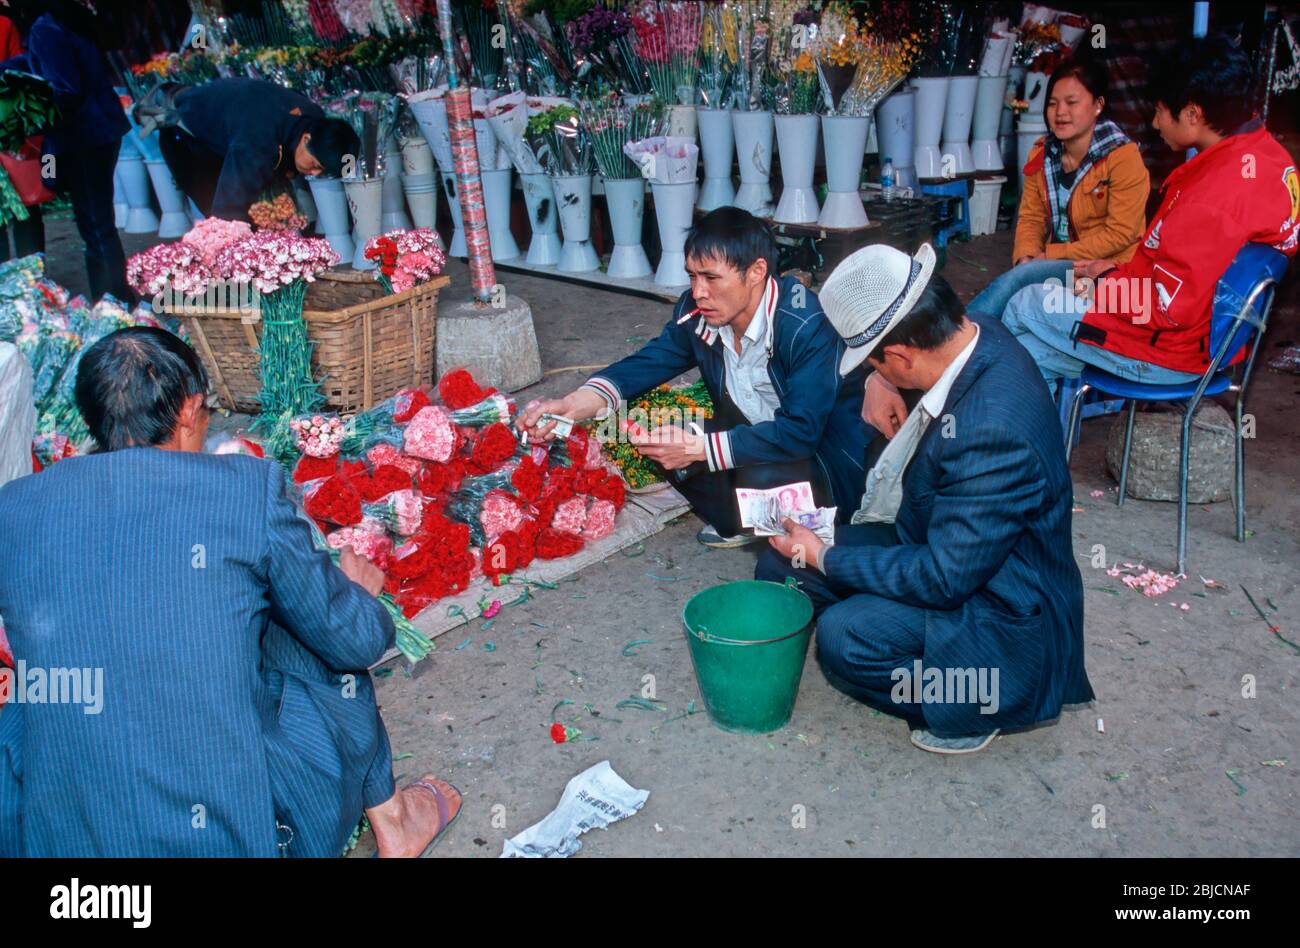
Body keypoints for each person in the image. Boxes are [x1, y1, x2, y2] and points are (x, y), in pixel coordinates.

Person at [0, 327, 460, 857]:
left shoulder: (16, 508)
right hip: (228, 840)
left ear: (92, 422)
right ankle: (394, 819)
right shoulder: (243, 490)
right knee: (308, 636)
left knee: (35, 696)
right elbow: (353, 643)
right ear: (189, 411)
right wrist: (357, 596)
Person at [758, 243, 1093, 755]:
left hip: (999, 604)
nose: (876, 371)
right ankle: (876, 610)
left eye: (876, 363)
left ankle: (976, 704)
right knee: (780, 567)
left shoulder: (992, 430)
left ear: (902, 355)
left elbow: (942, 578)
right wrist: (878, 379)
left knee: (846, 638)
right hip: (939, 537)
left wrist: (825, 555)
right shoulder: (972, 331)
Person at [518, 207, 874, 548]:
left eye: (711, 278)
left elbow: (801, 433)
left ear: (756, 271)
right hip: (754, 436)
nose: (698, 291)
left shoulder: (804, 325)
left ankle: (795, 526)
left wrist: (699, 447)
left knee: (758, 480)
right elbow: (652, 361)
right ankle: (741, 520)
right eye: (692, 275)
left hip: (825, 462)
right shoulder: (697, 311)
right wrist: (572, 404)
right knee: (655, 434)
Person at [988, 34, 1300, 397]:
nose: (1154, 124)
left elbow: (1164, 308)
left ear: (1192, 114)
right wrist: (1111, 273)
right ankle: (1025, 444)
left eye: (1159, 111)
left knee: (1027, 302)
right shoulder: (1270, 157)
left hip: (1170, 351)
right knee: (1032, 350)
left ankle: (994, 425)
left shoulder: (1212, 199)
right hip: (1199, 331)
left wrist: (1102, 286)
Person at [969, 56, 1149, 322]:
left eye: (1071, 103)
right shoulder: (1042, 153)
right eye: (1053, 104)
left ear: (1098, 105)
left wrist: (1048, 256)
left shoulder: (1122, 157)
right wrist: (1026, 258)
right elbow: (1031, 217)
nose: (1060, 112)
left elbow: (1121, 235)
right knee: (1018, 300)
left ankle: (955, 336)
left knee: (1018, 294)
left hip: (1108, 270)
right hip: (1058, 266)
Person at [0, 0, 134, 302]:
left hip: (85, 136)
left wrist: (31, 114)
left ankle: (113, 302)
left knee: (96, 228)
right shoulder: (63, 18)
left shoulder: (44, 27)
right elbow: (43, 65)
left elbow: (64, 88)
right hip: (101, 132)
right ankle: (117, 297)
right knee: (98, 224)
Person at [140, 77, 360, 221]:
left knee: (269, 214)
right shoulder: (258, 141)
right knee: (224, 218)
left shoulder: (315, 119)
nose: (314, 173)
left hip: (232, 128)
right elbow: (228, 209)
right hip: (187, 141)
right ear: (305, 138)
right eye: (315, 165)